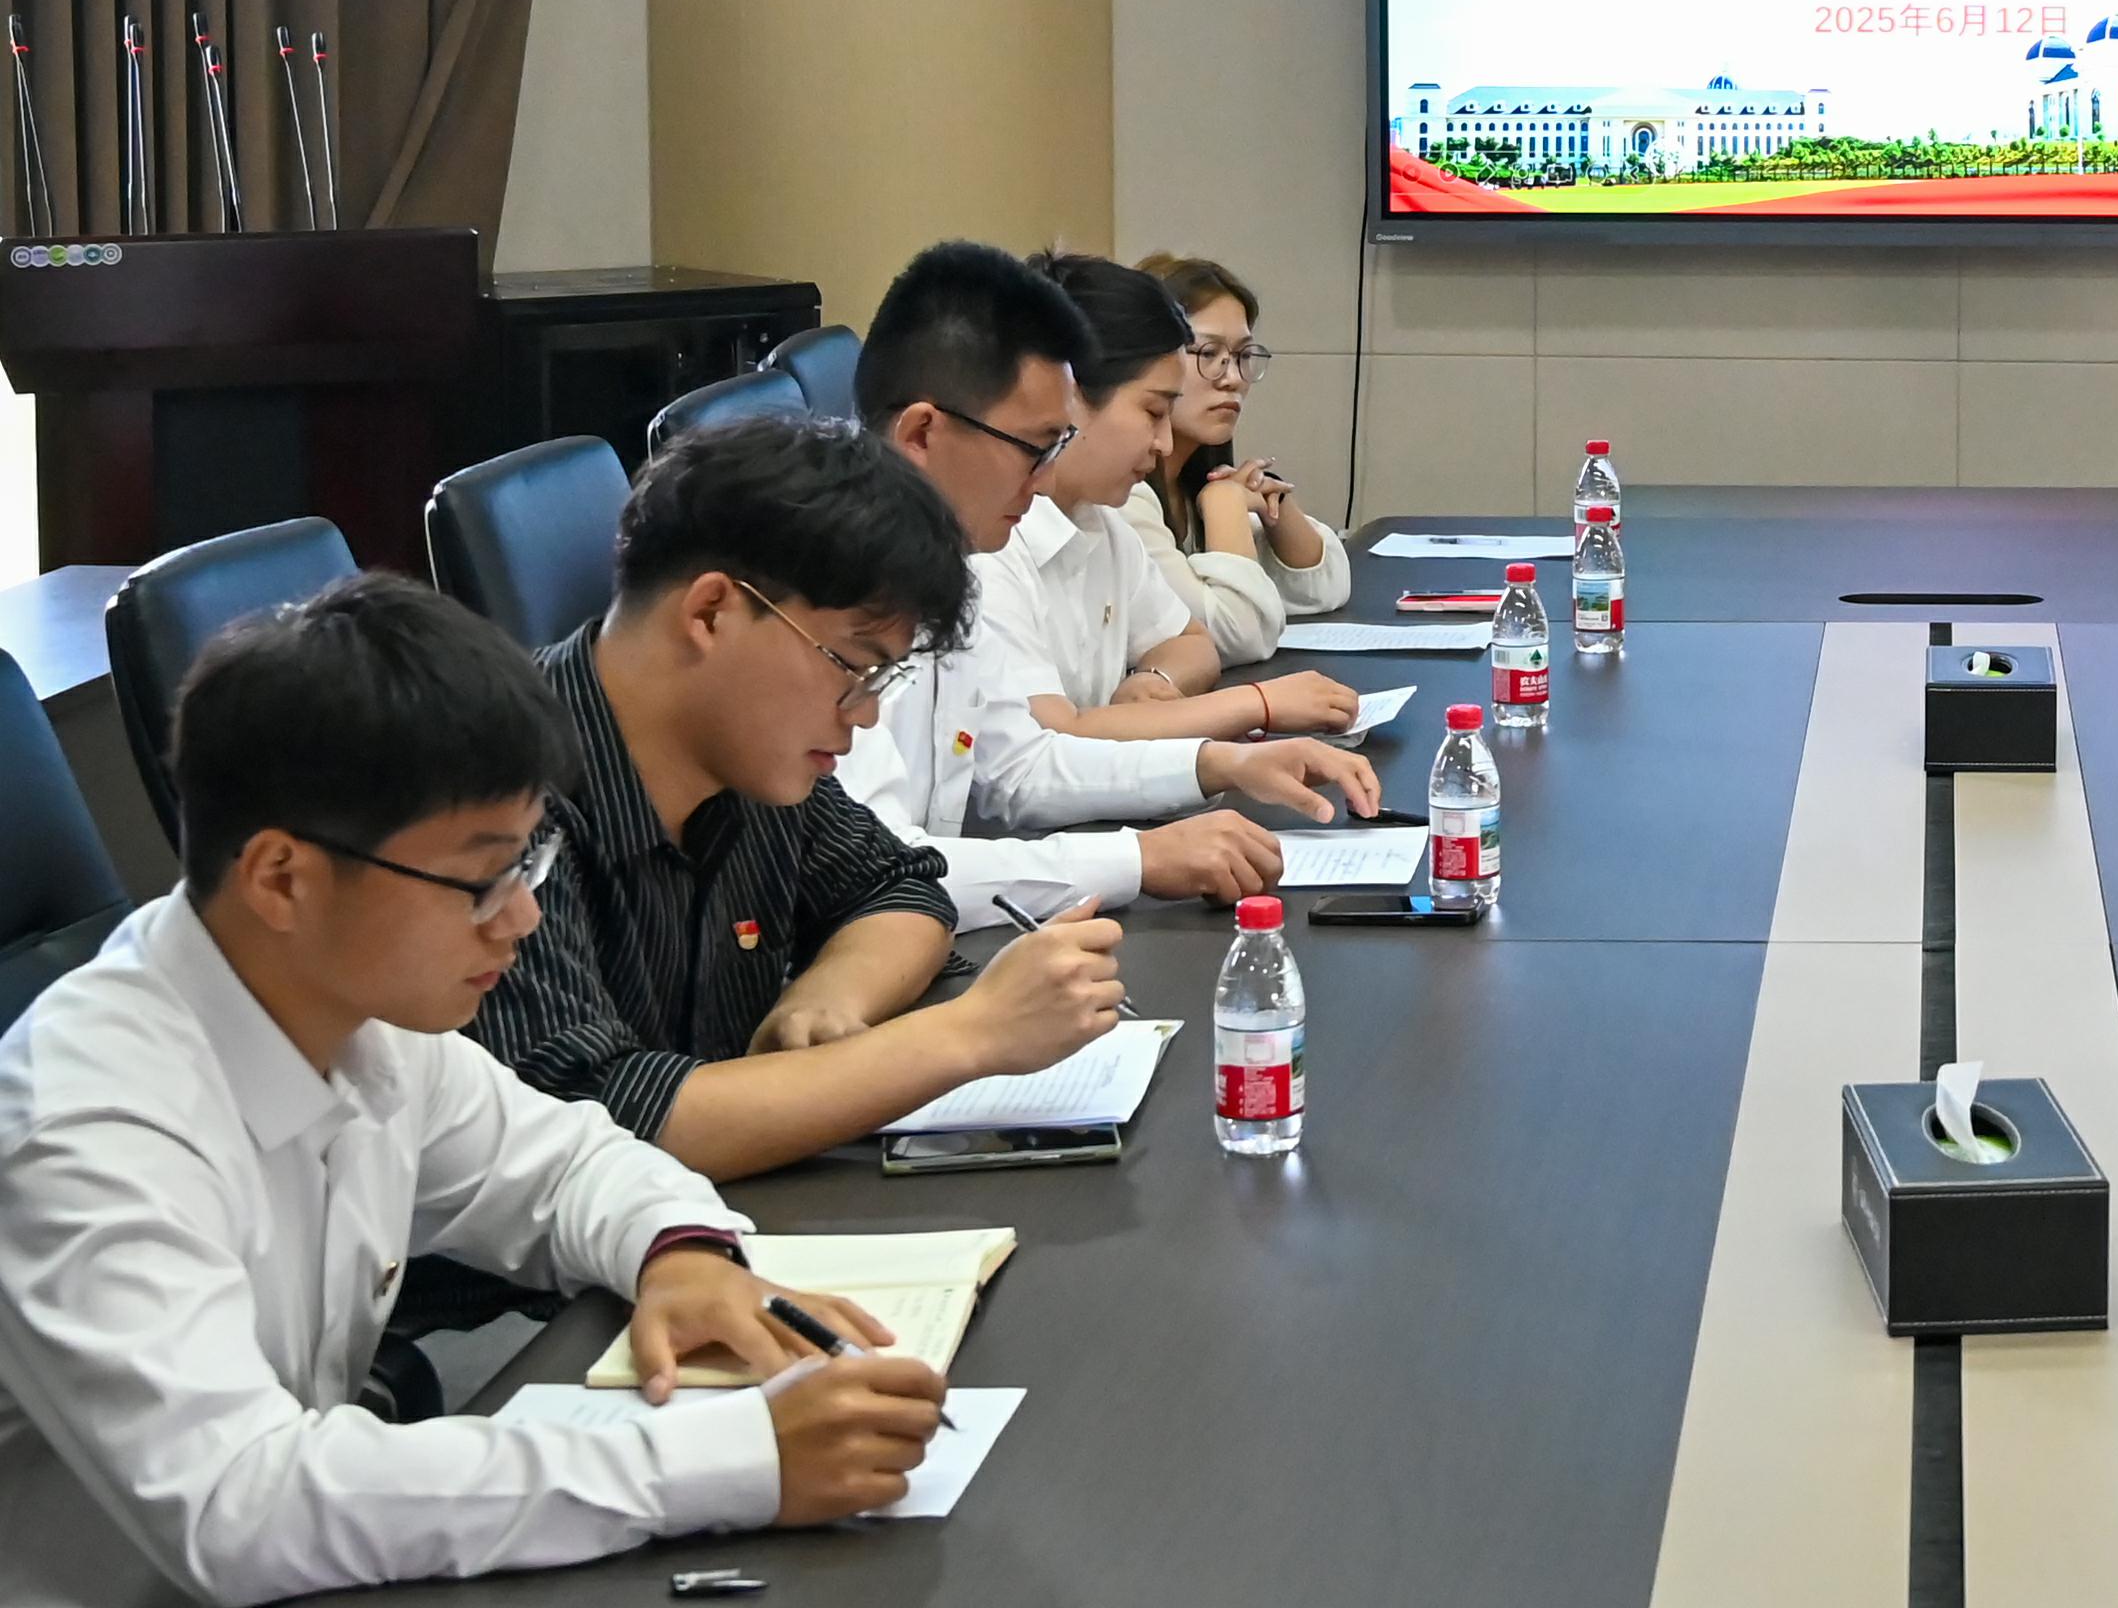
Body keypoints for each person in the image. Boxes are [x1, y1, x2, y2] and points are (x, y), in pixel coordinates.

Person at [0, 578, 949, 1603]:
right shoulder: (88, 1127)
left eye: (530, 860)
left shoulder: (351, 1013)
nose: (522, 918)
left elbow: (567, 1162)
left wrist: (681, 1252)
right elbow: (241, 1503)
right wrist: (734, 1460)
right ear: (281, 878)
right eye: (482, 879)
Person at [464, 417, 1131, 1180]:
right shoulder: (489, 799)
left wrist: (827, 1002)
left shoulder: (744, 754)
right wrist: (970, 1035)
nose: (866, 714)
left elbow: (899, 886)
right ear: (710, 613)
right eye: (853, 666)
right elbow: (589, 1124)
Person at [849, 240, 1377, 926]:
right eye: (1035, 446)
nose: (1045, 476)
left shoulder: (948, 561)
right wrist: (1139, 859)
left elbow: (1020, 769)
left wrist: (1214, 765)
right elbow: (878, 870)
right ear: (923, 434)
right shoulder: (833, 594)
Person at [1131, 249, 1353, 669]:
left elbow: (1325, 590)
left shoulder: (1195, 482)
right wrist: (1227, 506)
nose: (1232, 378)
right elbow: (1240, 634)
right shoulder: (1124, 498)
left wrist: (1275, 508)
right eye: (1208, 354)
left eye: (1242, 356)